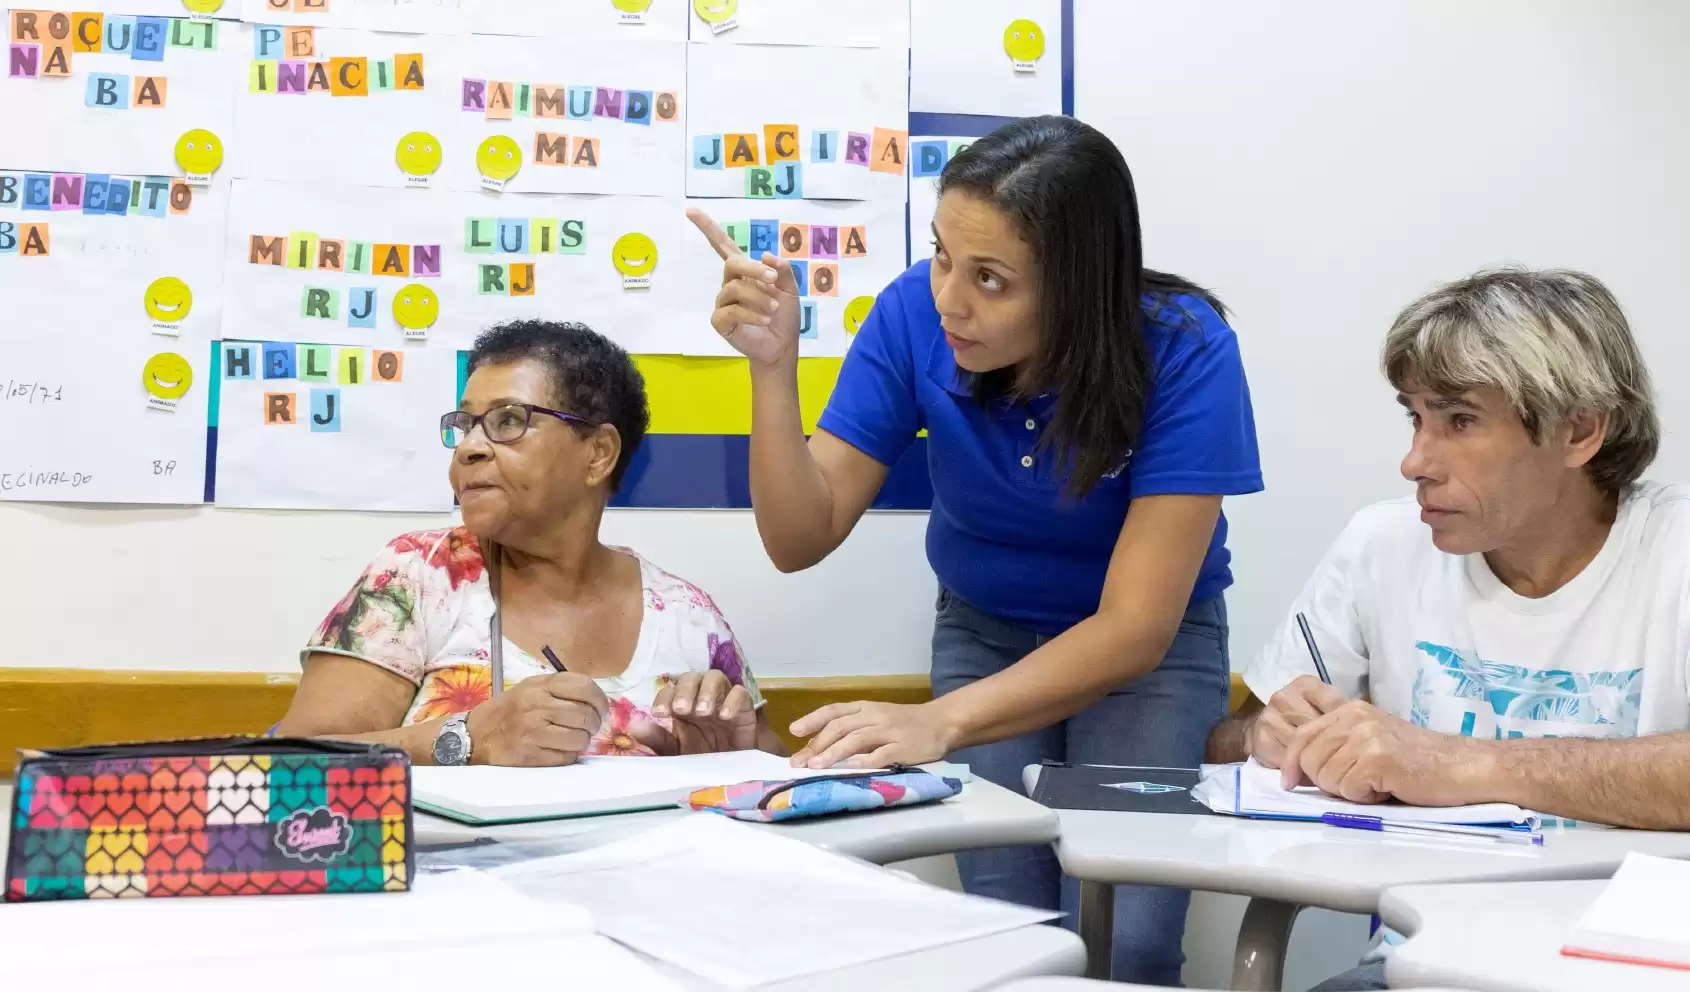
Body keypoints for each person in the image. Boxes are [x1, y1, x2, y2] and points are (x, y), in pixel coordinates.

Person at [691, 115, 1263, 984]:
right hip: (986, 631)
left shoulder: (1185, 349)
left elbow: (1138, 627)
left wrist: (939, 721)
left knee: (1130, 938)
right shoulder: (914, 313)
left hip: (1150, 655)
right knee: (1007, 926)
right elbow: (798, 537)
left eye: (991, 279)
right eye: (943, 256)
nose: (951, 298)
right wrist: (773, 372)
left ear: (1080, 287)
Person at [1207, 268, 1690, 991]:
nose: (1415, 463)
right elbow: (1224, 744)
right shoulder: (1381, 546)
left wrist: (1457, 765)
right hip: (1412, 969)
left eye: (1460, 422)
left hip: (1634, 969)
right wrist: (1268, 740)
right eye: (1416, 418)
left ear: (1581, 430)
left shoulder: (1675, 552)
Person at [275, 320, 785, 765]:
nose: (471, 448)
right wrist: (470, 738)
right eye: (465, 425)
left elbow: (774, 773)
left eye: (507, 421)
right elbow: (294, 768)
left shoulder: (689, 617)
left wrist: (722, 756)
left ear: (598, 454)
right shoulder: (417, 575)